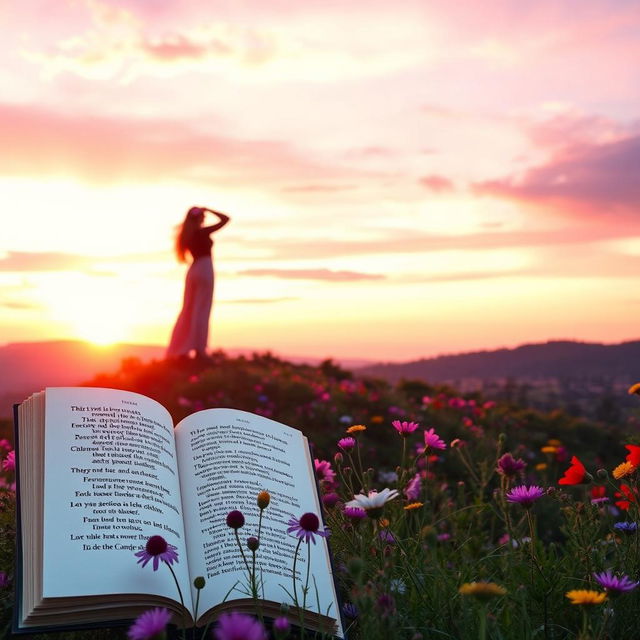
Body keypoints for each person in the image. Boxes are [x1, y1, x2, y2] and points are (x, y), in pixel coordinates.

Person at [166, 206, 230, 360]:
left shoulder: (186, 236)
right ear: (200, 218)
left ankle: (181, 348)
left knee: (188, 309)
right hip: (205, 269)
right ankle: (199, 349)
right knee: (201, 310)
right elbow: (225, 219)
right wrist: (209, 209)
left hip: (193, 270)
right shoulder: (202, 232)